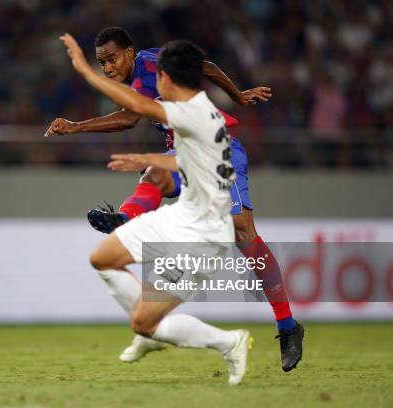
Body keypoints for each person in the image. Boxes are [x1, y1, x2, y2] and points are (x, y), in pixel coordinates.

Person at [47, 27, 303, 372]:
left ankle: (287, 326)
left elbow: (143, 107)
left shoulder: (154, 69)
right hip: (182, 154)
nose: (107, 67)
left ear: (130, 52)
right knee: (154, 173)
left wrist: (238, 96)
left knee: (244, 237)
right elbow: (188, 79)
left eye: (111, 59)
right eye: (101, 63)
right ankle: (124, 219)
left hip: (220, 155)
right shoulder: (145, 73)